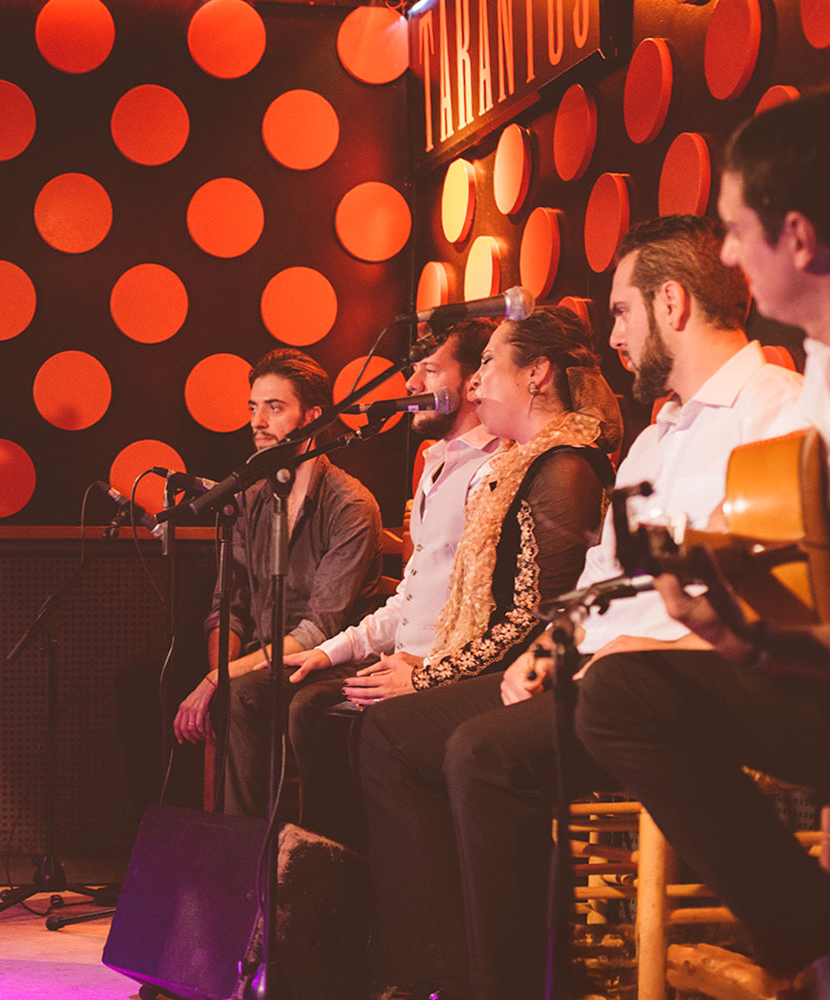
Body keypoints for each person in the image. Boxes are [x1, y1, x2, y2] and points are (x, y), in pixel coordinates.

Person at [354, 216, 802, 1000]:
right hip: (598, 676)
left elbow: (783, 597)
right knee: (390, 732)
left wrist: (635, 655)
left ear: (671, 304)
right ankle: (441, 975)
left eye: (622, 312)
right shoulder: (659, 437)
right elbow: (598, 581)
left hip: (687, 691)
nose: (614, 336)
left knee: (483, 753)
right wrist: (550, 645)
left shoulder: (778, 410)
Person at [578, 93, 830, 996]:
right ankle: (808, 932)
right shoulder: (813, 377)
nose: (725, 255)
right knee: (616, 693)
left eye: (734, 230)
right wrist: (739, 630)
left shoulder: (781, 391)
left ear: (796, 237)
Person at [242, 318, 502, 847]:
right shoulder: (435, 464)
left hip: (438, 670)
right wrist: (333, 652)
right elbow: (409, 597)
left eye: (429, 371)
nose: (409, 387)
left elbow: (483, 605)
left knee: (310, 711)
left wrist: (426, 673)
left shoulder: (496, 469)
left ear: (473, 382)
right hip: (398, 659)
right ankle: (312, 887)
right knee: (309, 705)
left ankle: (339, 891)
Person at [171, 348, 382, 820]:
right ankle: (192, 857)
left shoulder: (350, 506)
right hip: (264, 660)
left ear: (312, 417)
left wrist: (220, 680)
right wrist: (218, 675)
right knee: (156, 689)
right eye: (252, 407)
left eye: (274, 407)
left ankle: (245, 864)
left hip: (328, 664)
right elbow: (231, 605)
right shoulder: (251, 499)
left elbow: (319, 630)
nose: (257, 421)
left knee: (242, 696)